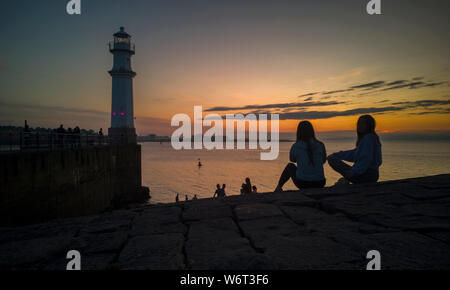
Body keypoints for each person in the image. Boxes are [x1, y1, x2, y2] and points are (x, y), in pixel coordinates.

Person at [327, 115, 382, 185]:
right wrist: (337, 155)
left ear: (369, 125)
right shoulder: (369, 138)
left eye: (363, 123)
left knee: (332, 160)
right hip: (370, 175)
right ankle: (345, 180)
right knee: (332, 158)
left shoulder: (369, 138)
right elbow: (355, 154)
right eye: (359, 123)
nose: (360, 125)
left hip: (367, 175)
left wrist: (353, 173)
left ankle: (346, 180)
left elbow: (366, 158)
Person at [275, 121, 326, 192]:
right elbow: (323, 161)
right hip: (320, 183)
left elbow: (292, 160)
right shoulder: (321, 145)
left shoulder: (296, 146)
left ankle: (278, 187)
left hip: (303, 183)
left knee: (290, 166)